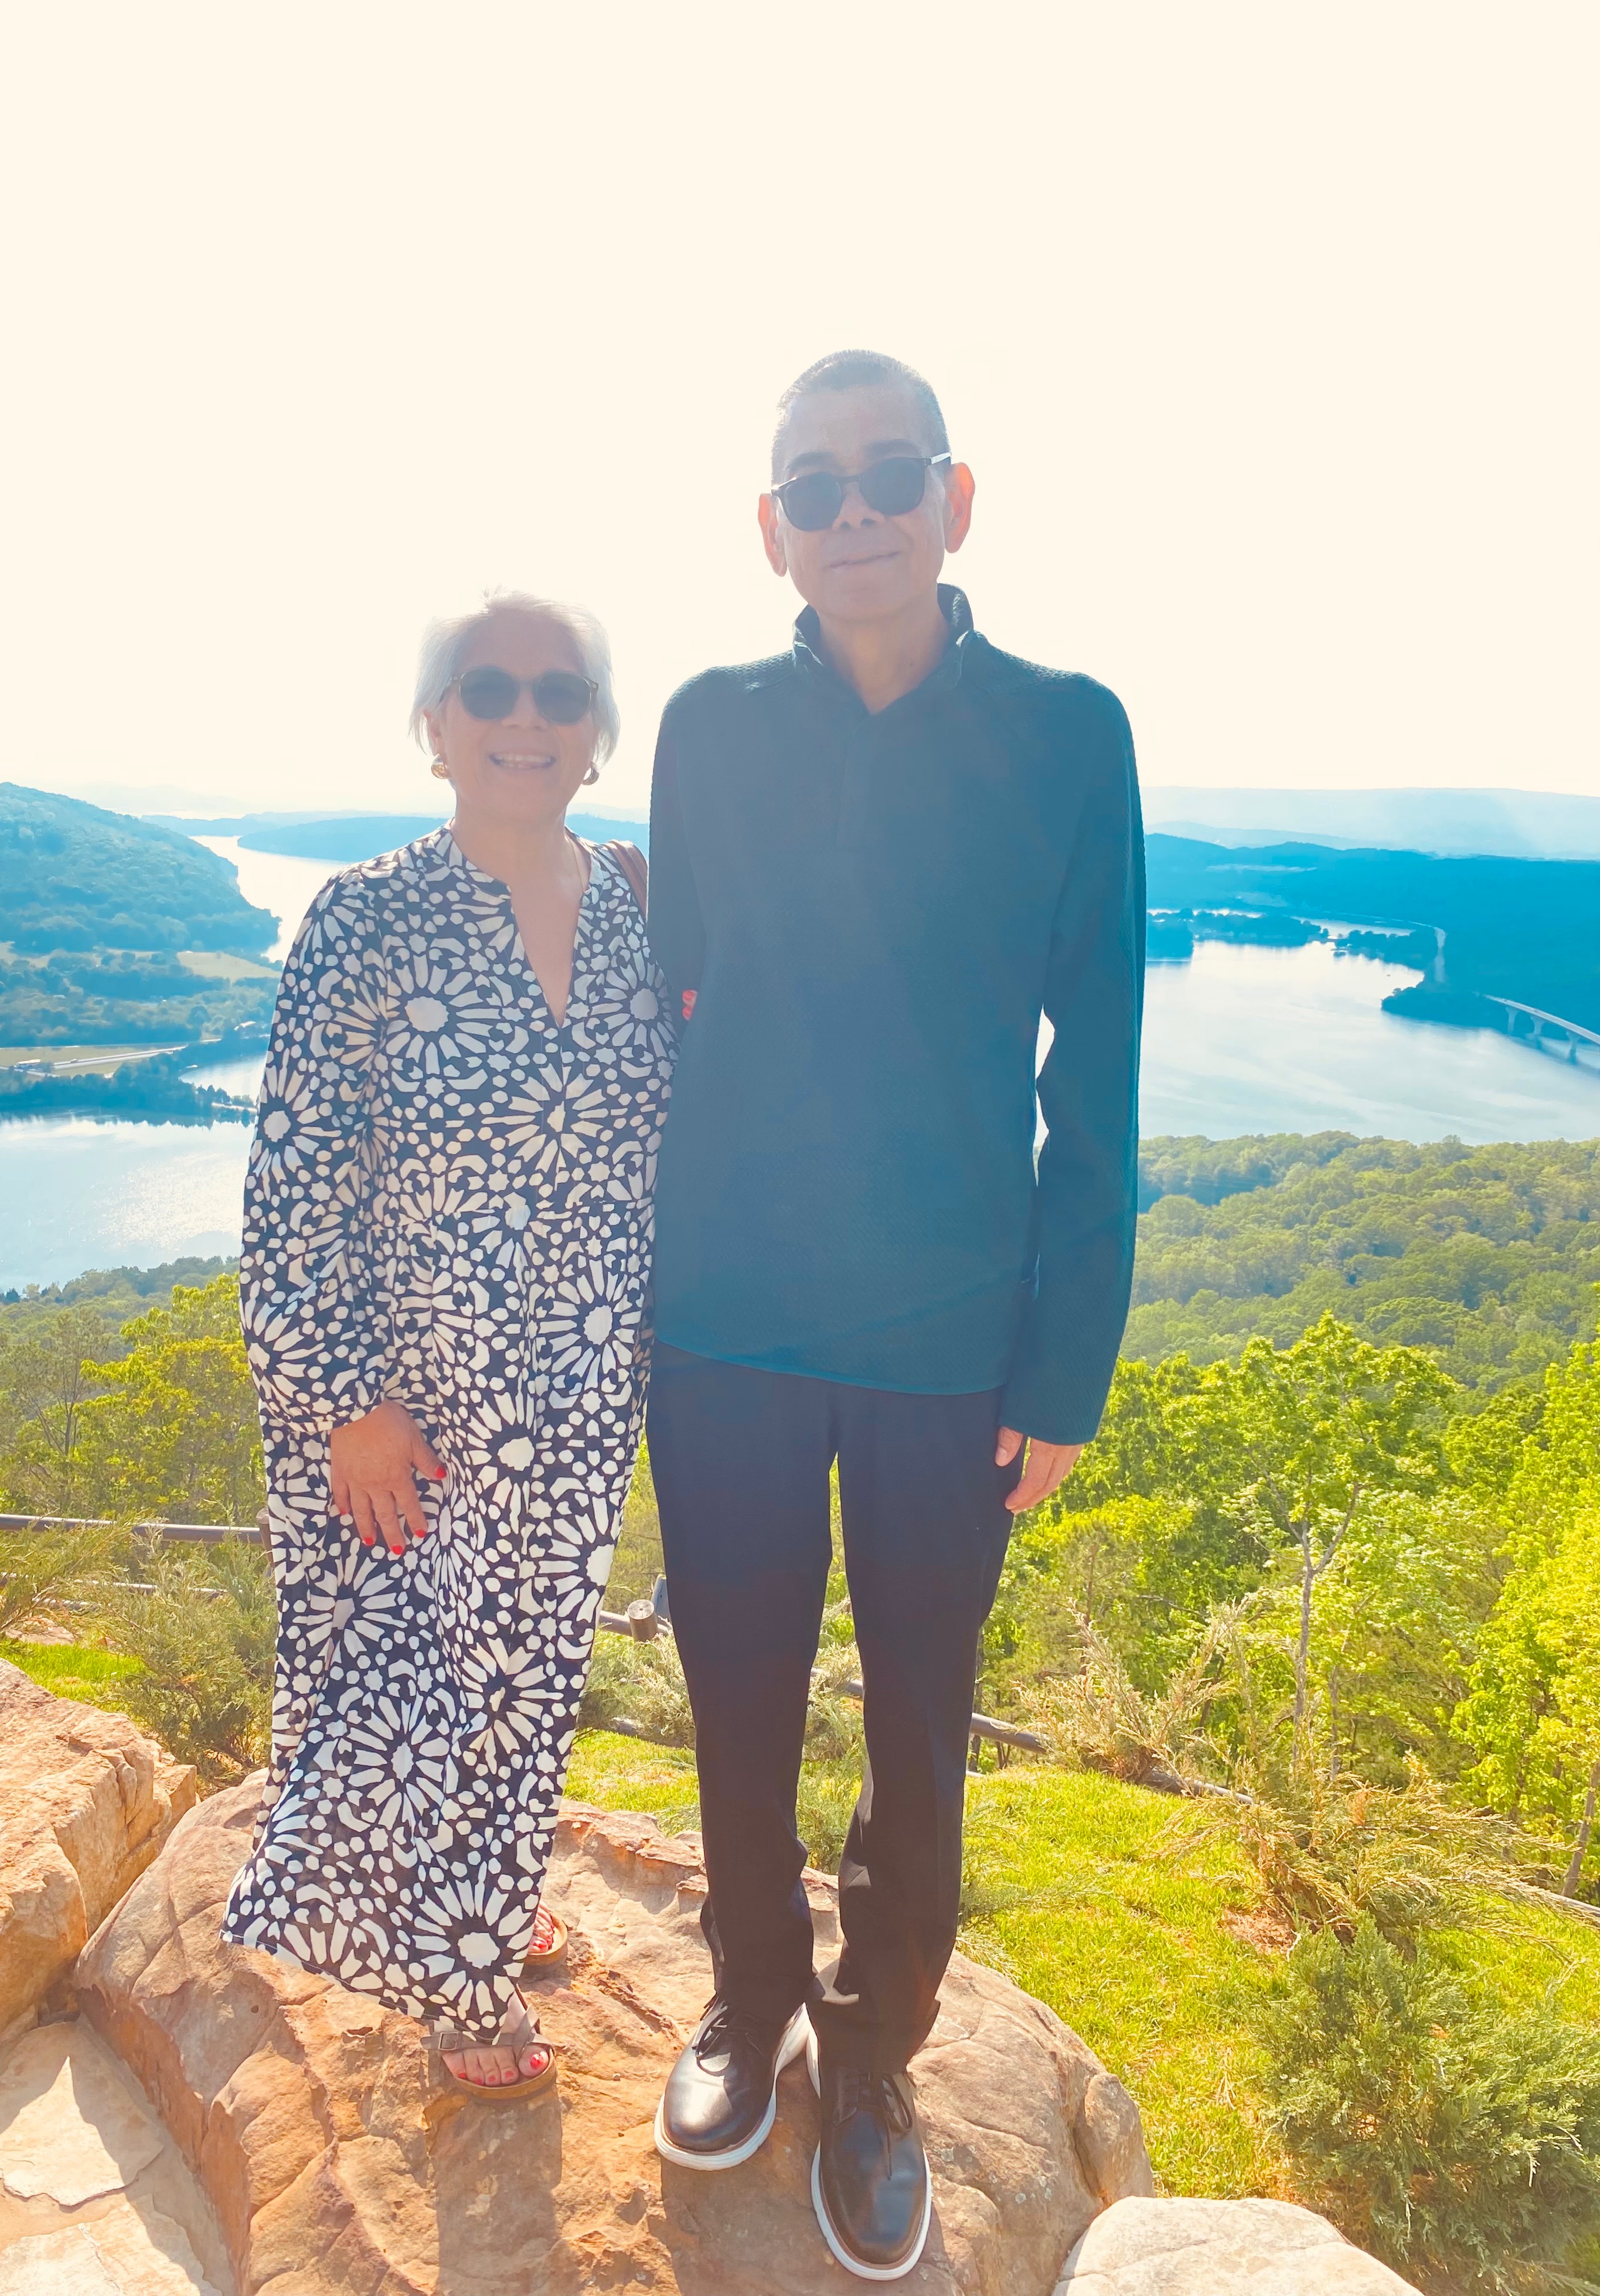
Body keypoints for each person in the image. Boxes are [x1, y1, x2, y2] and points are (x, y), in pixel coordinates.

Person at [645, 352, 1145, 2277]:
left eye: (887, 472)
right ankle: (749, 1999)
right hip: (730, 1319)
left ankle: (874, 2058)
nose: (852, 509)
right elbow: (676, 995)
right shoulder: (708, 727)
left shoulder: (1067, 732)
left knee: (920, 1716)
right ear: (770, 526)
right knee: (738, 1692)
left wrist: (1066, 1363)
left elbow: (1095, 1075)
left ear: (957, 496)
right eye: (814, 482)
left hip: (952, 1335)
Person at [222, 591, 673, 2098]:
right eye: (490, 688)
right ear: (436, 724)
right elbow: (294, 1181)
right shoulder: (367, 916)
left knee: (528, 1670)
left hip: (583, 1384)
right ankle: (465, 1986)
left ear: (598, 731)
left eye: (560, 691)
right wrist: (343, 1401)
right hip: (413, 1392)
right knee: (417, 1681)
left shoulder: (634, 906)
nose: (525, 716)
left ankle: (481, 1894)